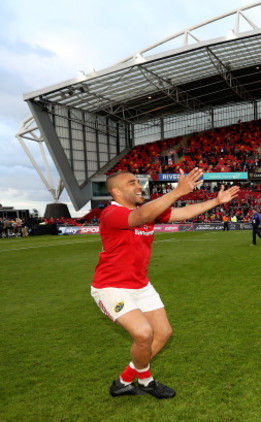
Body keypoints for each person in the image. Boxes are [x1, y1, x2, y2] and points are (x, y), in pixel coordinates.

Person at [91, 169, 239, 399]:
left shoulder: (148, 211)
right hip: (111, 287)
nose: (139, 186)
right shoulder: (111, 213)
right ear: (116, 192)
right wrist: (177, 191)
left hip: (140, 285)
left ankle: (125, 380)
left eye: (138, 182)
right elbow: (139, 218)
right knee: (143, 334)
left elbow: (183, 212)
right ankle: (146, 381)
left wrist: (216, 201)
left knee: (163, 333)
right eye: (132, 183)